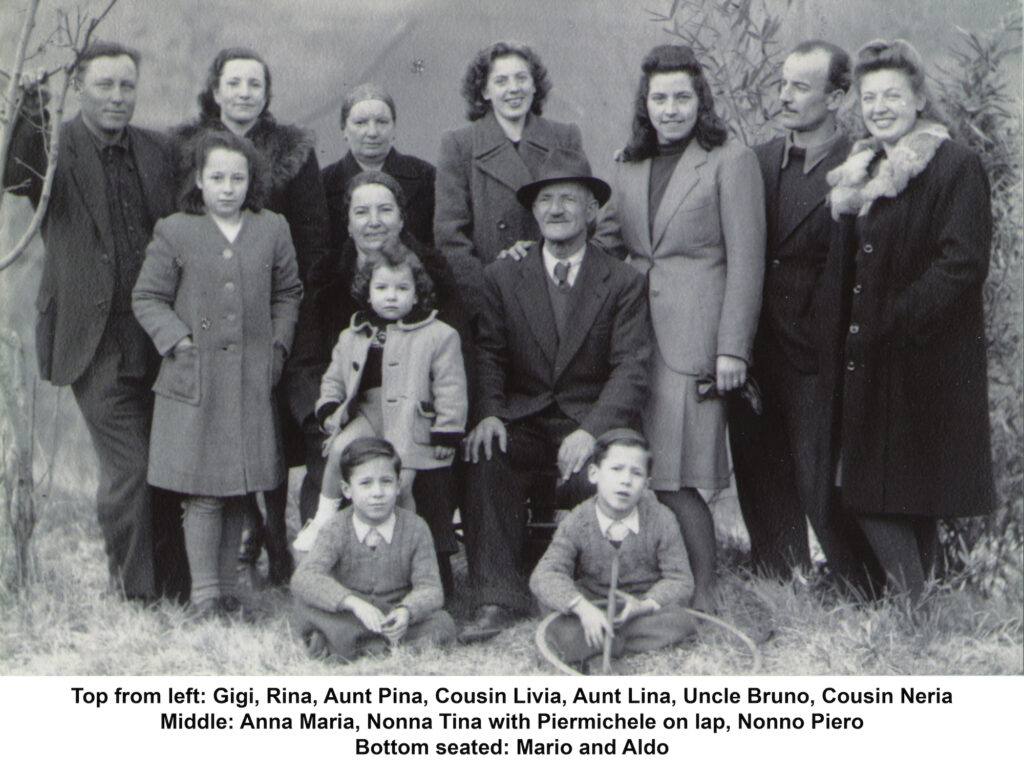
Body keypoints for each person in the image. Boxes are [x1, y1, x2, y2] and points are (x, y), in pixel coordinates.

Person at [2, 42, 186, 602]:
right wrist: (32, 104)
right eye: (104, 85)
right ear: (79, 86)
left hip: (159, 336)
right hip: (92, 338)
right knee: (129, 468)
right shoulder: (57, 151)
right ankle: (134, 593)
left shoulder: (160, 149)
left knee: (167, 465)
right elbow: (13, 175)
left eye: (127, 85)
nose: (117, 96)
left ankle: (175, 589)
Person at [818, 39, 993, 601]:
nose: (880, 107)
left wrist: (894, 318)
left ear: (920, 98)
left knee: (885, 489)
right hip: (867, 358)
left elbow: (962, 264)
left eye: (893, 94)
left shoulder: (955, 166)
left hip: (923, 360)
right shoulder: (861, 173)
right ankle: (921, 611)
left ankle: (913, 612)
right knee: (885, 487)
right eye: (870, 97)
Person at [458, 150, 652, 643]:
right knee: (487, 457)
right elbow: (489, 353)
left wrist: (591, 432)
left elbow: (631, 367)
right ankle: (498, 597)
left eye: (570, 199)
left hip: (589, 422)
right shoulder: (503, 276)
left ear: (592, 211)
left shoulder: (623, 281)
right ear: (534, 212)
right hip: (522, 419)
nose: (557, 209)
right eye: (546, 200)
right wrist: (490, 414)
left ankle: (596, 594)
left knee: (614, 469)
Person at [599, 45, 765, 612]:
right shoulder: (626, 163)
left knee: (680, 473)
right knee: (642, 465)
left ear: (702, 100)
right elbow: (607, 242)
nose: (670, 109)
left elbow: (747, 260)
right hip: (633, 339)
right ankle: (661, 585)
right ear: (644, 104)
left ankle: (706, 593)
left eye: (682, 97)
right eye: (659, 98)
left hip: (694, 342)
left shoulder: (729, 160)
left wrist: (732, 349)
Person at [173, 47, 329, 584]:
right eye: (233, 83)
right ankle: (235, 547)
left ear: (267, 92)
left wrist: (289, 316)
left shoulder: (292, 151)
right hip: (208, 317)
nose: (244, 93)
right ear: (215, 90)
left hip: (280, 314)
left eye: (254, 84)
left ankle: (280, 544)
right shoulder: (185, 148)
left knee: (275, 431)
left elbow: (312, 236)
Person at [133, 130, 302, 618]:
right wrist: (177, 340)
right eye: (217, 178)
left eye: (238, 177)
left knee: (237, 488)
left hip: (251, 381)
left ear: (253, 181)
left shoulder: (272, 228)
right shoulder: (176, 230)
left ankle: (228, 591)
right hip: (196, 380)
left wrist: (277, 346)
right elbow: (147, 297)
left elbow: (288, 292)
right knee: (204, 491)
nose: (228, 188)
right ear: (199, 182)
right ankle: (206, 596)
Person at [727, 41, 872, 587]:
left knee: (821, 481)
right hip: (753, 351)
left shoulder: (863, 162)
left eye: (800, 87)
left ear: (838, 96)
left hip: (819, 355)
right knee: (759, 471)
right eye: (782, 84)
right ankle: (779, 580)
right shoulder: (757, 160)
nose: (784, 97)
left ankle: (860, 586)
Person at [297, 170, 470, 590]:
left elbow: (451, 374)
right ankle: (330, 543)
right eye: (362, 211)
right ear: (349, 220)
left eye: (384, 210)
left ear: (402, 218)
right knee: (338, 454)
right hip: (358, 414)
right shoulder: (333, 290)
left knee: (411, 480)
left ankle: (417, 565)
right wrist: (323, 412)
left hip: (415, 416)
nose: (373, 220)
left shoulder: (431, 279)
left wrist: (448, 426)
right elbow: (324, 366)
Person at [435, 41, 587, 316]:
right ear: (484, 91)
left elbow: (586, 218)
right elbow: (451, 237)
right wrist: (488, 296)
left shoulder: (565, 137)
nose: (513, 89)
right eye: (501, 81)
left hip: (557, 298)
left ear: (534, 85)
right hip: (491, 303)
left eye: (521, 78)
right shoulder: (459, 145)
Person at [530, 429, 696, 672]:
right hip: (591, 604)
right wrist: (583, 609)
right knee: (554, 618)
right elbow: (545, 574)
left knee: (682, 622)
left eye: (636, 473)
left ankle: (600, 643)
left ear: (647, 484)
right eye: (616, 469)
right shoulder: (578, 520)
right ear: (594, 474)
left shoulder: (662, 518)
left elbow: (681, 580)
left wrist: (645, 604)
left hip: (638, 608)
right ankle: (605, 638)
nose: (626, 481)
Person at [290, 438, 456, 661]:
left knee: (442, 623)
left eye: (386, 482)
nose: (377, 493)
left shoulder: (416, 528)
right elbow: (305, 577)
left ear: (399, 486)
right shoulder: (336, 528)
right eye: (366, 484)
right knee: (305, 608)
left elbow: (431, 589)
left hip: (392, 614)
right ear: (347, 490)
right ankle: (374, 645)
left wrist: (406, 611)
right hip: (350, 614)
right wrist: (353, 604)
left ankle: (351, 645)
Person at [322, 83, 436, 248]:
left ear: (394, 128)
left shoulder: (426, 177)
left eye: (382, 122)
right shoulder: (323, 184)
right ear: (344, 129)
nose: (372, 132)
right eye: (361, 123)